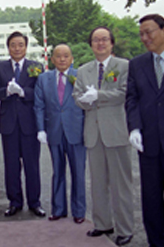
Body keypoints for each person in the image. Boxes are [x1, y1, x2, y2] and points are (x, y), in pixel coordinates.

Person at [73, 26, 133, 246]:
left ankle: (125, 228)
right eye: (96, 40)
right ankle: (102, 223)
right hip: (93, 132)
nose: (100, 43)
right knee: (97, 183)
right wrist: (85, 99)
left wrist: (97, 95)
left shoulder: (124, 66)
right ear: (91, 44)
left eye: (104, 39)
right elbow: (77, 96)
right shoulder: (83, 70)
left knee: (121, 185)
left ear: (111, 43)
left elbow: (124, 93)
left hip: (116, 132)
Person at [0, 31, 45, 218]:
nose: (17, 48)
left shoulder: (36, 66)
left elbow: (40, 93)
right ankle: (14, 202)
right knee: (11, 165)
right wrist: (7, 91)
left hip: (29, 123)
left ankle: (34, 203)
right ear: (8, 47)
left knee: (32, 165)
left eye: (20, 44)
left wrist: (23, 92)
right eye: (13, 45)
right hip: (9, 124)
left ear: (26, 46)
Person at [34, 44, 86, 224]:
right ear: (52, 59)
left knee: (78, 172)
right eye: (58, 56)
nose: (62, 59)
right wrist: (41, 129)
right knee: (58, 171)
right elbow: (39, 106)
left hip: (76, 131)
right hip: (54, 131)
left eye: (66, 56)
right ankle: (58, 209)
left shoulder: (80, 76)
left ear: (72, 59)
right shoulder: (43, 79)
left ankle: (79, 211)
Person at [126, 14, 164, 247]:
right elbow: (132, 99)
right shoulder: (137, 64)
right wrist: (135, 128)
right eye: (141, 33)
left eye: (149, 32)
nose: (144, 37)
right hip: (148, 143)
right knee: (151, 199)